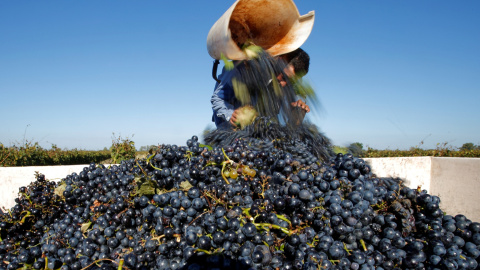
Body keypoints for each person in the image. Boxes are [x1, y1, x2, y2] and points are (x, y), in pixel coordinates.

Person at [211, 48, 311, 129]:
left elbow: (294, 96)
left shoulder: (284, 83)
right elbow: (217, 99)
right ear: (280, 60)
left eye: (290, 82)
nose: (284, 84)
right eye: (284, 77)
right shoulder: (241, 69)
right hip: (230, 129)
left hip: (256, 130)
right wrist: (230, 115)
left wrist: (297, 103)